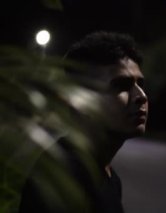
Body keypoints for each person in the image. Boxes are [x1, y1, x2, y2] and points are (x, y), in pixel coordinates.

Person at [19, 31, 148, 213]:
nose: (141, 97)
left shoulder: (108, 177)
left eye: (140, 85)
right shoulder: (61, 181)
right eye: (121, 85)